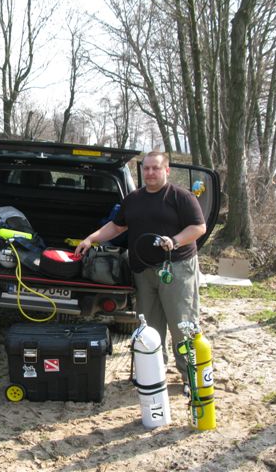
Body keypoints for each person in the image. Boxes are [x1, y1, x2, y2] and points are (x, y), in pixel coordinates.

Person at [75, 151, 206, 390]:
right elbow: (116, 226)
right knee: (148, 327)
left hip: (176, 268)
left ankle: (190, 378)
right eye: (146, 169)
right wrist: (91, 239)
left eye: (155, 168)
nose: (150, 173)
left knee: (182, 325)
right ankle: (153, 374)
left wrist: (174, 240)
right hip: (143, 272)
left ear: (166, 170)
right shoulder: (134, 199)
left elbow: (199, 227)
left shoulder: (181, 197)